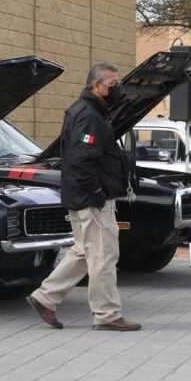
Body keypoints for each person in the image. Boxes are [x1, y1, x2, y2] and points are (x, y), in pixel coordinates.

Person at [28, 62, 141, 331]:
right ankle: (107, 315)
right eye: (114, 85)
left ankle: (45, 297)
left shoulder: (86, 111)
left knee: (84, 251)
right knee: (103, 255)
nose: (118, 89)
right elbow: (80, 161)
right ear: (97, 85)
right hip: (90, 199)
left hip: (81, 196)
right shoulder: (89, 115)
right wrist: (97, 193)